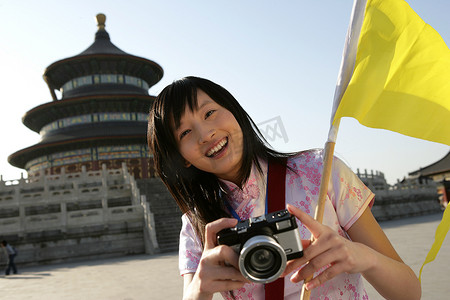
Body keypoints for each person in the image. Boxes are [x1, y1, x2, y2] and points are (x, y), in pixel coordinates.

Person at [147, 76, 421, 300]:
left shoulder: (320, 171)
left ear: (235, 111)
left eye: (209, 113)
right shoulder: (198, 226)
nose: (205, 134)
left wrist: (361, 257)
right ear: (180, 156)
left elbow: (409, 292)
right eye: (185, 133)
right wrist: (200, 289)